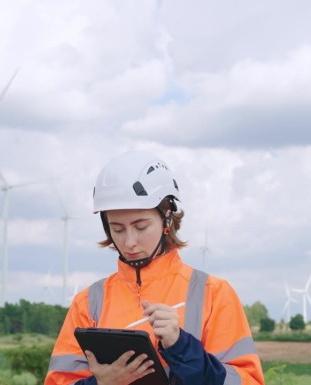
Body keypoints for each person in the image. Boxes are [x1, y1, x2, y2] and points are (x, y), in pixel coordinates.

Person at [45, 150, 264, 385]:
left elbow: (247, 381)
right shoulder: (88, 303)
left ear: (167, 219)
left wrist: (182, 347)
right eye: (117, 229)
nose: (129, 242)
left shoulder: (214, 294)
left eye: (141, 226)